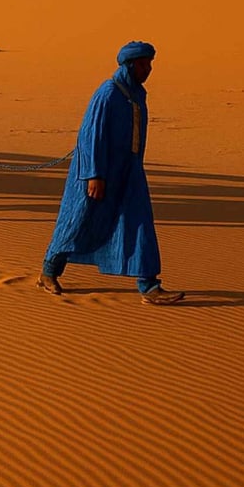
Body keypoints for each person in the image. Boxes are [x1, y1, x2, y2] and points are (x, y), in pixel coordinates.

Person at [38, 41, 184, 305]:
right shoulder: (108, 93)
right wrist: (94, 175)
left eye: (149, 63)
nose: (148, 69)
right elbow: (90, 137)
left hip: (129, 173)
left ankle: (149, 285)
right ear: (129, 65)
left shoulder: (136, 94)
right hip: (96, 175)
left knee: (140, 223)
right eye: (142, 64)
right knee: (78, 221)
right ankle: (49, 271)